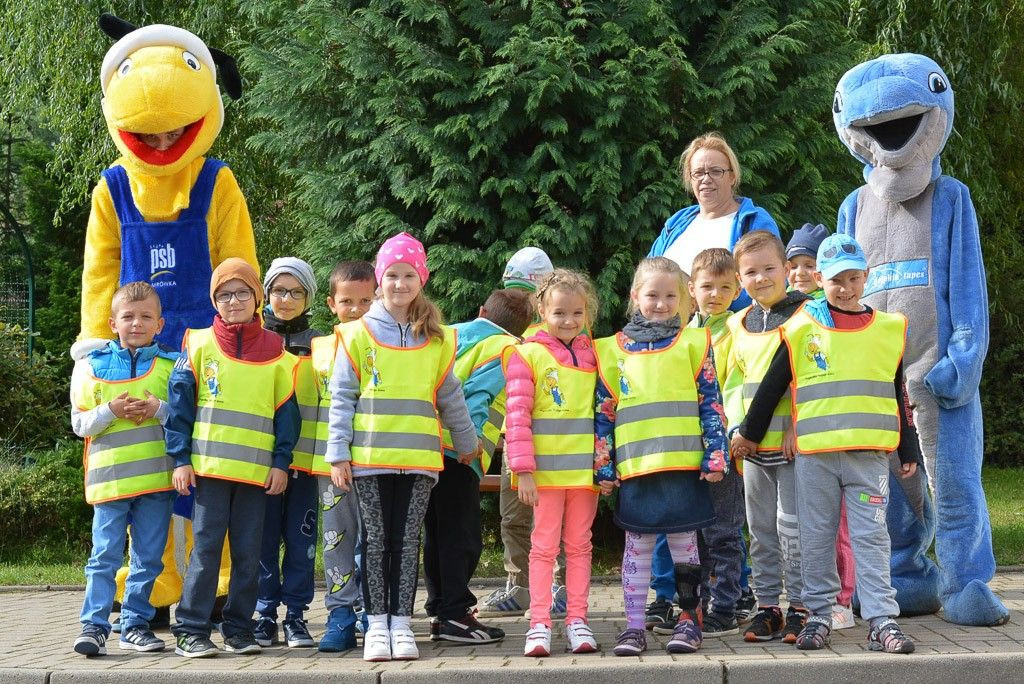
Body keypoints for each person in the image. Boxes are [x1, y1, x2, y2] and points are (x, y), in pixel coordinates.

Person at [731, 234, 919, 654]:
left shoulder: (888, 329)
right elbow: (772, 384)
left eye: (854, 278)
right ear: (819, 279)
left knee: (872, 537)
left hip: (868, 456)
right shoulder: (800, 328)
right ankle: (817, 615)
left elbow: (897, 390)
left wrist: (909, 450)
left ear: (866, 276)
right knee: (815, 537)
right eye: (836, 279)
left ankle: (881, 619)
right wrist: (749, 433)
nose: (846, 287)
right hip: (815, 457)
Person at [324, 232, 481, 663]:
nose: (399, 283)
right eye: (391, 274)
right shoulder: (354, 335)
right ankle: (376, 623)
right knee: (377, 541)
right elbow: (341, 397)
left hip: (419, 460)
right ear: (379, 279)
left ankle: (401, 623)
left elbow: (450, 396)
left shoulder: (438, 338)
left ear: (421, 279)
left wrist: (467, 444)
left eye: (408, 275)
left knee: (407, 541)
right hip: (370, 460)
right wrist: (337, 453)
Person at [593, 258, 728, 656]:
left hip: (684, 469)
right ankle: (633, 626)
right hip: (636, 472)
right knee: (637, 547)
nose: (661, 303)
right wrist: (603, 464)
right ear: (636, 297)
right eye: (652, 295)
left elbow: (711, 402)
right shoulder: (611, 351)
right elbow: (604, 413)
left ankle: (689, 621)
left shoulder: (693, 344)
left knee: (686, 546)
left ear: (684, 299)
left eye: (671, 296)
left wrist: (715, 453)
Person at [166, 258, 300, 658]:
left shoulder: (278, 350)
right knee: (205, 551)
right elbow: (178, 409)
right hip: (208, 473)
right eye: (224, 294)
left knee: (249, 554)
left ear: (258, 298)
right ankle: (191, 629)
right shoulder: (197, 343)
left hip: (258, 475)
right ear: (214, 300)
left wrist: (280, 462)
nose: (234, 300)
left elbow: (286, 414)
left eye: (242, 292)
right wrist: (180, 459)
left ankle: (238, 629)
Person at [71, 282, 178, 656]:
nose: (137, 323)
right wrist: (111, 411)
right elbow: (80, 425)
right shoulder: (89, 368)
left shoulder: (171, 366)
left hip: (156, 484)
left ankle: (134, 624)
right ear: (112, 322)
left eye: (146, 316)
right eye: (128, 317)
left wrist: (159, 410)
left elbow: (185, 420)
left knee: (148, 558)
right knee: (104, 556)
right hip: (110, 485)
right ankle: (94, 625)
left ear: (160, 324)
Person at [424, 288, 533, 644]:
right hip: (460, 452)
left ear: (482, 309)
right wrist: (468, 445)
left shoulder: (450, 333)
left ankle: (440, 611)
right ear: (524, 329)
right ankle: (456, 613)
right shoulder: (507, 349)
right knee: (462, 536)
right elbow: (478, 397)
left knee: (437, 534)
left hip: (424, 447)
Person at [504, 269, 601, 657]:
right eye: (560, 312)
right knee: (542, 547)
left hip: (584, 475)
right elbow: (517, 416)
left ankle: (577, 619)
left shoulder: (596, 354)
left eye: (577, 313)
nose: (569, 320)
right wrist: (523, 470)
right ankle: (539, 623)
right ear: (542, 309)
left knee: (580, 545)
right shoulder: (526, 354)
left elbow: (603, 412)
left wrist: (604, 468)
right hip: (543, 475)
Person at [724, 231, 809, 644]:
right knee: (761, 532)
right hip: (754, 452)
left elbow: (810, 377)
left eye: (769, 269)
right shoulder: (737, 324)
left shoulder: (805, 317)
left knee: (794, 531)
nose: (760, 279)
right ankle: (768, 607)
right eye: (750, 273)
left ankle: (801, 607)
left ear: (787, 271)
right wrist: (738, 431)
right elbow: (731, 383)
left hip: (793, 449)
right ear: (740, 279)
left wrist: (797, 425)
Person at [481, 246, 566, 618]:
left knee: (555, 516)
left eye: (526, 292)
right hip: (515, 440)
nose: (520, 300)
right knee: (513, 515)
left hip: (553, 442)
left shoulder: (560, 330)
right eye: (513, 291)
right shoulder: (500, 329)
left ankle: (559, 586)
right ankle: (521, 586)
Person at [785, 225, 857, 631]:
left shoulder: (837, 315)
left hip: (846, 434)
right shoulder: (792, 316)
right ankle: (817, 599)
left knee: (843, 527)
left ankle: (843, 599)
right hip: (810, 435)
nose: (798, 272)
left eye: (807, 264)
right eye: (793, 264)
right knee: (815, 526)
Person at [253, 258, 323, 648]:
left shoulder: (321, 344)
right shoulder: (256, 341)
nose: (286, 299)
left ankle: (296, 615)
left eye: (296, 292)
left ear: (308, 297)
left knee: (301, 541)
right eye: (279, 290)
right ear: (267, 294)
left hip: (306, 461)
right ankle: (265, 613)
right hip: (262, 460)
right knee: (262, 540)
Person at [679, 248, 748, 638]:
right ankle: (700, 602)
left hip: (722, 444)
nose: (715, 294)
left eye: (725, 287)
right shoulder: (685, 334)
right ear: (692, 288)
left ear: (737, 287)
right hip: (689, 446)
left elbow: (738, 384)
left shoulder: (738, 329)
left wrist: (736, 429)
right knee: (695, 531)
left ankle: (726, 604)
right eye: (707, 286)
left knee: (724, 529)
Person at [309, 261, 376, 654]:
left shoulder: (389, 344)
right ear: (332, 303)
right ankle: (340, 614)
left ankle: (372, 610)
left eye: (366, 300)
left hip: (376, 459)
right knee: (337, 539)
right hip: (331, 466)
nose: (357, 309)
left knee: (375, 539)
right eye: (348, 301)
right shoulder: (321, 347)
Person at [649, 132, 780, 299]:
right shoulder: (677, 222)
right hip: (664, 323)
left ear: (732, 177)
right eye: (698, 173)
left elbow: (767, 284)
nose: (706, 179)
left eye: (716, 171)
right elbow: (648, 275)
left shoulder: (753, 221)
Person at [786, 223, 830, 300]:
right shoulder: (782, 299)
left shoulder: (831, 305)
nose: (800, 273)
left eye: (809, 266)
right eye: (793, 267)